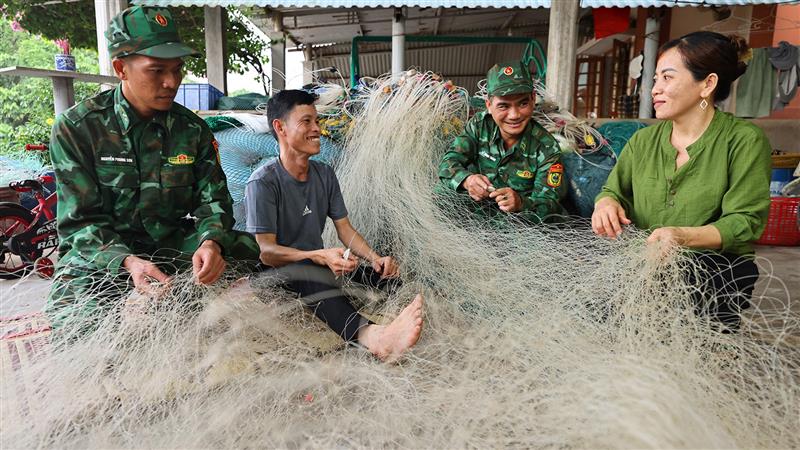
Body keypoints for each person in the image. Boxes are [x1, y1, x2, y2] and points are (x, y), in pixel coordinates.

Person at [46, 6, 259, 330]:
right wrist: (128, 262)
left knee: (247, 249)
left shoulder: (191, 129)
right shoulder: (78, 128)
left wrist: (210, 242)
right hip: (106, 255)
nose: (171, 81)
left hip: (167, 244)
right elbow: (80, 224)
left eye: (177, 69)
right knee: (77, 328)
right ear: (121, 68)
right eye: (156, 70)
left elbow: (212, 201)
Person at [592, 31, 771, 332]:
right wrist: (606, 203)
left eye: (667, 78)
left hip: (716, 269)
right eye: (656, 78)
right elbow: (613, 191)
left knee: (686, 333)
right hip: (646, 264)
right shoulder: (643, 141)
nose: (654, 89)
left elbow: (746, 220)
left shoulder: (743, 140)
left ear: (707, 84)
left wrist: (681, 236)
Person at [245, 90, 423, 362]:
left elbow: (345, 229)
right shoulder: (263, 182)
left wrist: (376, 259)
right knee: (309, 272)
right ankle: (375, 339)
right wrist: (318, 255)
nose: (317, 129)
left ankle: (386, 312)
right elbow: (267, 252)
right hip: (275, 274)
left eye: (317, 121)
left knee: (385, 279)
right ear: (280, 128)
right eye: (306, 122)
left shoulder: (324, 174)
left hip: (316, 264)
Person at [438, 60, 566, 224]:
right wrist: (467, 180)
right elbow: (449, 162)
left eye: (523, 103)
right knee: (440, 194)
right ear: (489, 105)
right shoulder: (480, 125)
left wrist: (520, 203)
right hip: (480, 211)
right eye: (503, 106)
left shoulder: (547, 148)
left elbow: (549, 204)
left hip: (519, 223)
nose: (514, 115)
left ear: (533, 99)